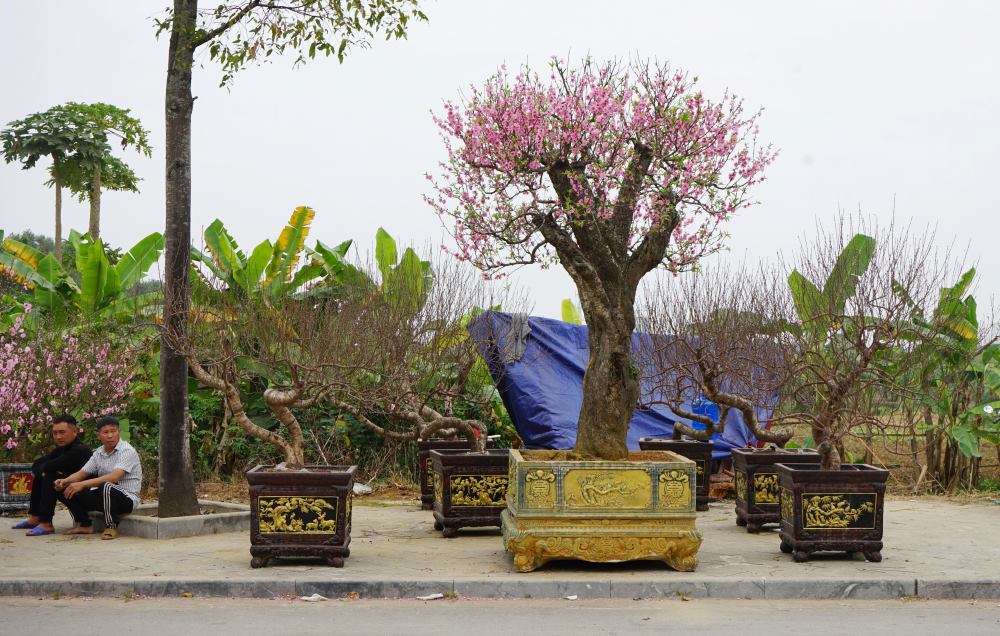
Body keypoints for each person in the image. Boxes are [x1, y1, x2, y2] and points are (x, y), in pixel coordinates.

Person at [54, 416, 142, 540]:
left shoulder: (127, 451)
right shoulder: (99, 453)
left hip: (126, 499)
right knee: (65, 488)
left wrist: (83, 484)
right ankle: (85, 524)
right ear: (99, 435)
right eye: (106, 432)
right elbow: (81, 473)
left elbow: (113, 477)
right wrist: (66, 481)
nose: (110, 435)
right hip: (104, 496)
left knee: (106, 485)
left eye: (113, 431)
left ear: (119, 432)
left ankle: (111, 526)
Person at [10, 414, 92, 536]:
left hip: (85, 497)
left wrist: (45, 469)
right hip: (70, 493)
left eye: (62, 432)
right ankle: (35, 517)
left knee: (50, 477)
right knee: (43, 476)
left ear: (74, 431)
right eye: (55, 433)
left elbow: (48, 466)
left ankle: (46, 523)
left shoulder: (80, 450)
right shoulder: (60, 450)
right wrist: (43, 470)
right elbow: (37, 464)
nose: (58, 437)